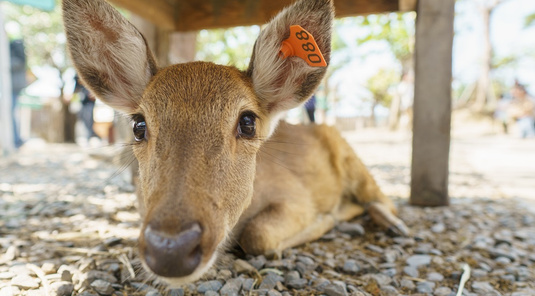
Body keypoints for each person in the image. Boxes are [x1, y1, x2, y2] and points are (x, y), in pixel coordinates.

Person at [10, 39, 27, 148]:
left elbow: (20, 62)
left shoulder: (14, 46)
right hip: (12, 86)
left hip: (13, 86)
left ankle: (16, 140)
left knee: (11, 112)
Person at [74, 75, 99, 140]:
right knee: (82, 119)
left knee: (89, 119)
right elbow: (76, 89)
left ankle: (91, 137)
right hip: (82, 102)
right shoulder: (76, 76)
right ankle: (88, 136)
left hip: (90, 102)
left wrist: (94, 94)